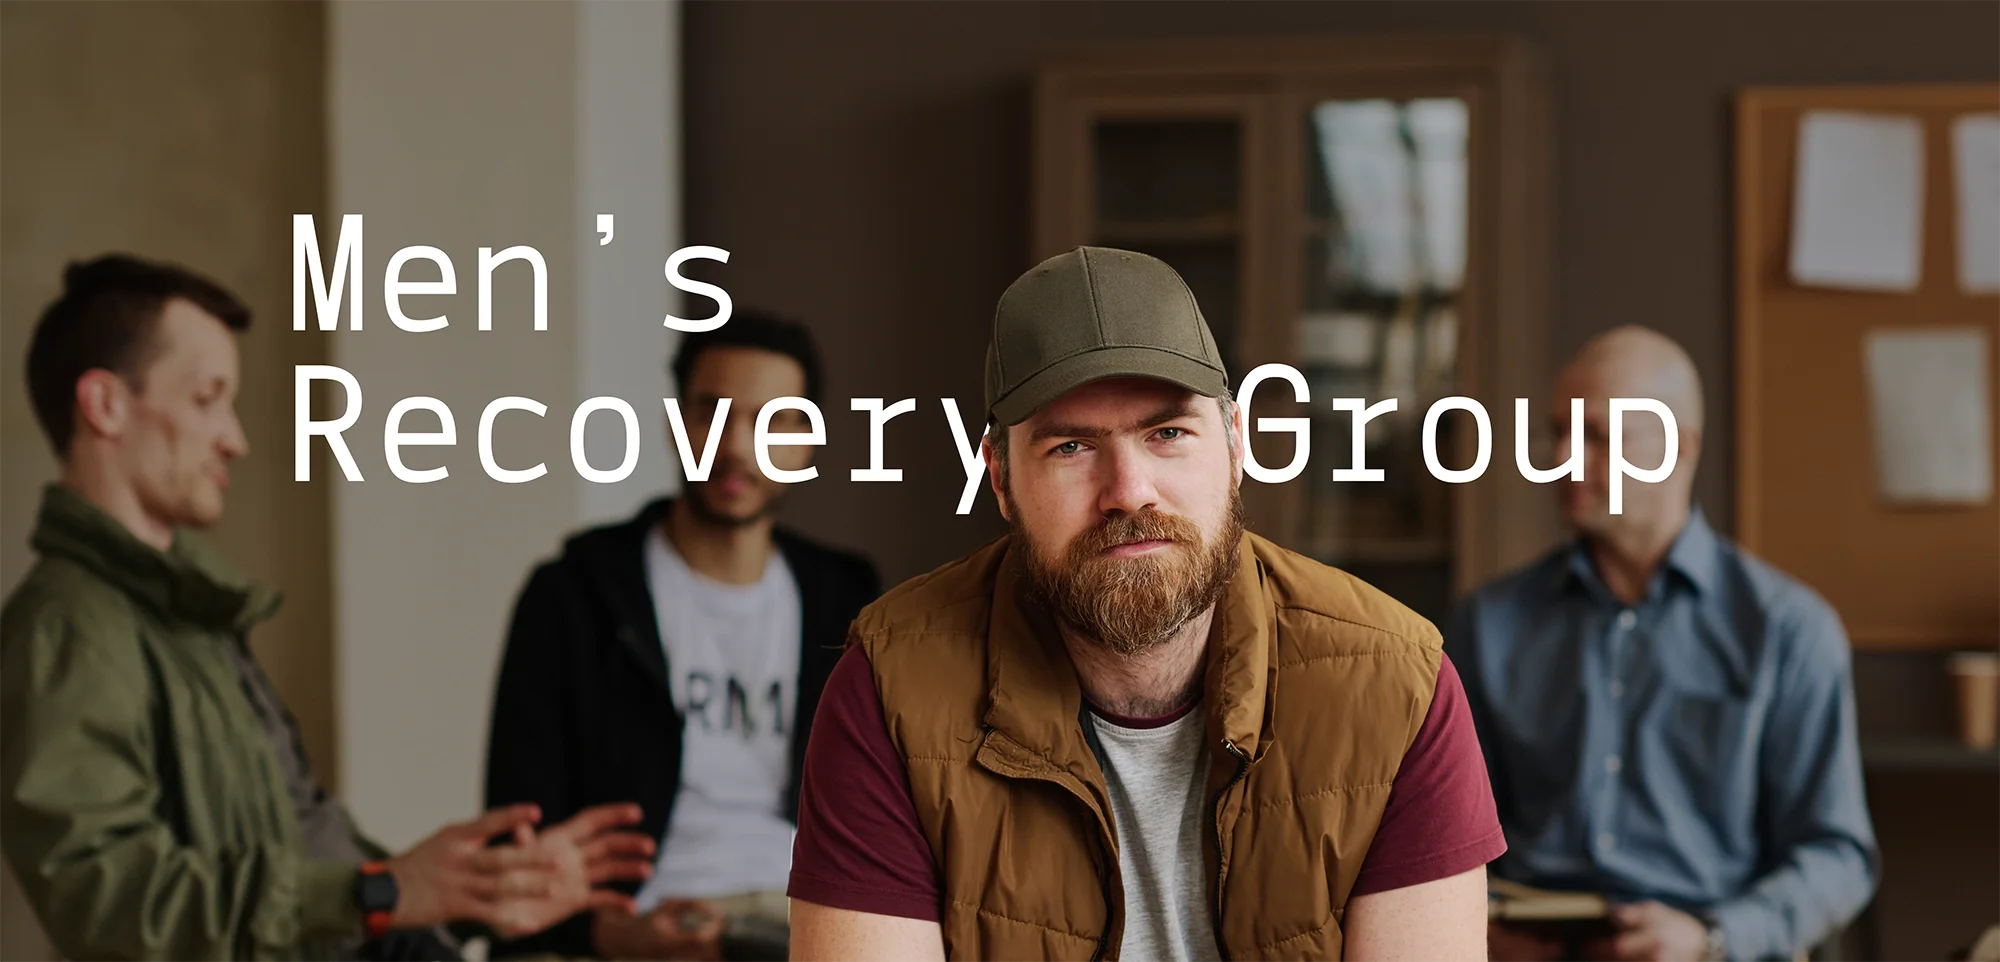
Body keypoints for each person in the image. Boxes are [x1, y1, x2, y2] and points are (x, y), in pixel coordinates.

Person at [784, 247, 1508, 962]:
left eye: (1167, 433)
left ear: (1234, 446)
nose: (1128, 490)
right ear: (999, 479)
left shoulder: (1396, 686)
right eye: (1070, 447)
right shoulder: (890, 690)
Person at [0, 255, 657, 962]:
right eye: (206, 398)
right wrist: (382, 893)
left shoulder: (192, 621)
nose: (235, 437)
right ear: (105, 405)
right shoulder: (67, 629)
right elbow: (111, 907)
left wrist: (476, 893)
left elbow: (313, 862)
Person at [1448, 326, 1878, 962]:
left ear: (1678, 446)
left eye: (1596, 435)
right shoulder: (1489, 623)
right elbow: (1449, 829)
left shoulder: (1788, 631)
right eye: (1557, 432)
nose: (1563, 457)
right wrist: (1476, 921)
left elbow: (1837, 855)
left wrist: (1714, 937)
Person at [485, 312, 881, 961]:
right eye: (712, 413)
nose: (736, 447)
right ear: (676, 424)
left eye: (774, 421)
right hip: (638, 917)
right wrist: (603, 935)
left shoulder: (849, 600)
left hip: (801, 917)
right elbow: (515, 837)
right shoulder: (576, 594)